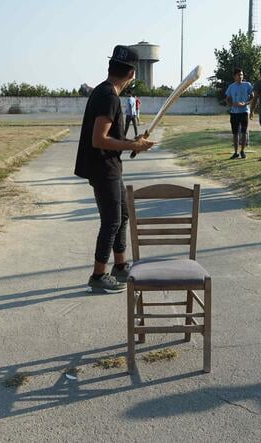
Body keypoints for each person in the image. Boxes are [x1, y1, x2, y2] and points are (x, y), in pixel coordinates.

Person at [74, 45, 155, 293]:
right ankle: (98, 275)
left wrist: (134, 141)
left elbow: (108, 136)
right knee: (111, 221)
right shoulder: (109, 96)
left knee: (122, 214)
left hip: (109, 165)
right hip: (103, 167)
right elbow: (99, 139)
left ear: (111, 67)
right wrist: (133, 144)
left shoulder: (103, 91)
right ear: (132, 73)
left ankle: (119, 267)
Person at [225, 68, 254, 159]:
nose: (240, 76)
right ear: (234, 76)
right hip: (234, 113)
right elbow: (227, 99)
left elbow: (253, 97)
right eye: (238, 75)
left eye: (241, 75)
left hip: (244, 112)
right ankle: (236, 152)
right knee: (235, 133)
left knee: (244, 132)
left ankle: (242, 151)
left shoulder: (247, 85)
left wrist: (245, 103)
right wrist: (233, 104)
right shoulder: (231, 86)